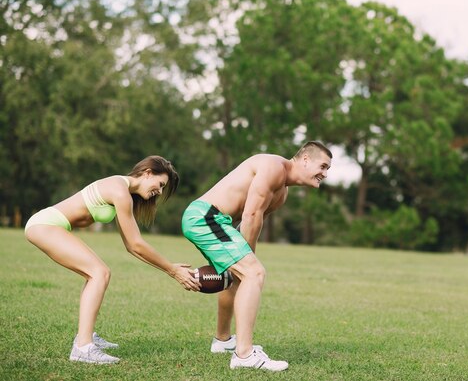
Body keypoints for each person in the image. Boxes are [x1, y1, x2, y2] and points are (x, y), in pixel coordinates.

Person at [24, 155, 201, 365]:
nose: (160, 192)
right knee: (99, 273)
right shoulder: (119, 190)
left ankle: (85, 336)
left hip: (48, 225)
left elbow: (130, 245)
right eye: (160, 184)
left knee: (96, 274)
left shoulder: (122, 191)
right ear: (147, 172)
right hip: (45, 225)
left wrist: (170, 269)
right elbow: (136, 244)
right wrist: (172, 270)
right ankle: (83, 347)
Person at [181, 141, 333, 372]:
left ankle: (222, 341)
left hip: (213, 221)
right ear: (305, 160)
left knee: (239, 276)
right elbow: (251, 214)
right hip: (205, 217)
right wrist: (249, 261)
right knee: (253, 272)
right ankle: (244, 355)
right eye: (322, 166)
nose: (324, 173)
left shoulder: (282, 192)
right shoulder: (274, 168)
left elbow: (251, 220)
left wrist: (244, 262)